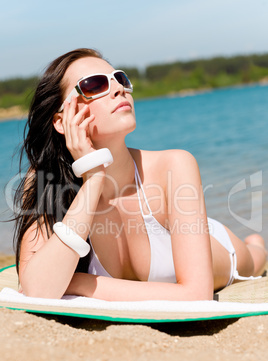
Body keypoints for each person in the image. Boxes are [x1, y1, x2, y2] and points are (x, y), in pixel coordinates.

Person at [14, 48, 267, 300]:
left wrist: (81, 283)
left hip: (217, 246)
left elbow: (197, 295)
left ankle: (257, 244)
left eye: (120, 79)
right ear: (61, 120)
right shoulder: (45, 180)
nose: (118, 89)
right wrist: (93, 177)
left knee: (254, 259)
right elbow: (37, 289)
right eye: (94, 84)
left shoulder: (173, 164)